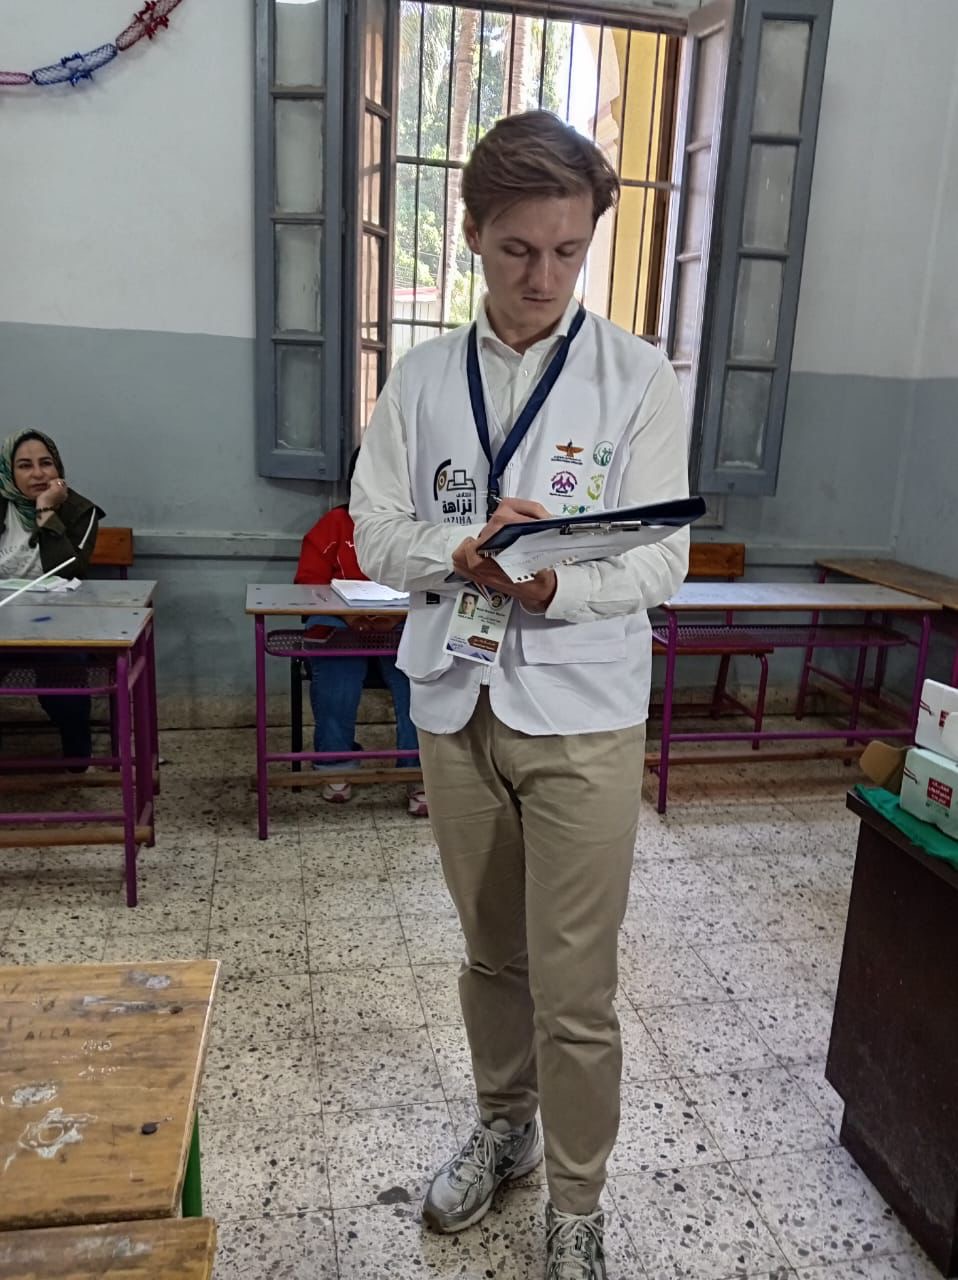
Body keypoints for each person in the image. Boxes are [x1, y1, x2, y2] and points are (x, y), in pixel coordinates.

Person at [350, 111, 689, 1278]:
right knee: (490, 953)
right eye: (516, 250)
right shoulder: (421, 379)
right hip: (456, 700)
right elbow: (373, 529)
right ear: (471, 233)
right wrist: (460, 550)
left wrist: (551, 583)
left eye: (566, 251)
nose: (542, 277)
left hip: (584, 709)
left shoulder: (635, 377)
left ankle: (577, 1198)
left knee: (575, 979)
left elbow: (661, 557)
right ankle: (505, 1127)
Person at [295, 448, 427, 817]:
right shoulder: (334, 524)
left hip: (400, 621)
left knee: (420, 677)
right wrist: (351, 616)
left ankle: (418, 771)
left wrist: (392, 617)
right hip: (341, 622)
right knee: (337, 673)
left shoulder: (416, 528)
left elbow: (429, 581)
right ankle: (335, 763)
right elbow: (308, 585)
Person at [0, 429, 103, 767]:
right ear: (8, 471)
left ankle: (77, 756)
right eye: (24, 465)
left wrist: (46, 511)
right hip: (3, 621)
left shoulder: (79, 510)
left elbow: (71, 569)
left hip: (59, 622)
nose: (38, 474)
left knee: (64, 686)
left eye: (46, 463)